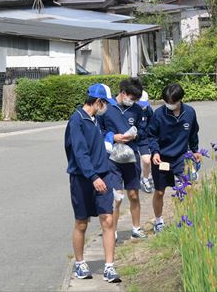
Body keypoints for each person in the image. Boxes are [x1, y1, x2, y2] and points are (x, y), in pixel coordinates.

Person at [64, 83, 121, 283]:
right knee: (82, 222)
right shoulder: (77, 121)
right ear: (97, 102)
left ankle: (109, 266)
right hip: (83, 178)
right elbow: (80, 153)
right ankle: (80, 263)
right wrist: (93, 177)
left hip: (103, 174)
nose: (106, 107)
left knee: (108, 219)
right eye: (105, 103)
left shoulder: (97, 119)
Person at [98, 77, 148, 240]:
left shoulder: (137, 110)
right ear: (123, 93)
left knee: (133, 194)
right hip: (112, 158)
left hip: (131, 157)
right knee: (116, 197)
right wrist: (114, 137)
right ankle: (112, 231)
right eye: (132, 98)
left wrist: (134, 135)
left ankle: (136, 228)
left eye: (136, 100)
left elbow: (143, 131)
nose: (133, 102)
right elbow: (99, 131)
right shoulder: (106, 107)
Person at [148, 83, 201, 233]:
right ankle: (158, 221)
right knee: (159, 192)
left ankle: (188, 218)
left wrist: (195, 150)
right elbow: (152, 135)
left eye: (172, 102)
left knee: (188, 187)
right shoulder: (159, 114)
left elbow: (193, 133)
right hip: (162, 158)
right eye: (167, 102)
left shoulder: (190, 113)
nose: (169, 105)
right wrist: (155, 152)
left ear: (179, 100)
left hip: (182, 157)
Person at [137, 90, 154, 193]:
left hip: (143, 139)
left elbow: (152, 125)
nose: (142, 106)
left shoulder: (148, 110)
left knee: (147, 160)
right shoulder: (130, 111)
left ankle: (145, 178)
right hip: (130, 140)